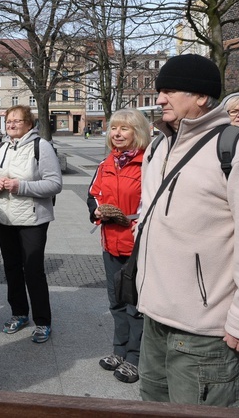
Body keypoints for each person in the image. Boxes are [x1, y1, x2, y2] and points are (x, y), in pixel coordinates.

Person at [136, 54, 239, 406]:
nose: (159, 99)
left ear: (202, 96)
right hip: (154, 319)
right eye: (160, 91)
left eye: (170, 90)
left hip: (204, 330)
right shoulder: (159, 146)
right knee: (150, 408)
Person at [0, 105, 62, 344]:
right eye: (9, 121)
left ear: (29, 124)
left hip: (32, 219)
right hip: (4, 218)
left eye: (18, 121)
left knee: (33, 270)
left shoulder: (42, 146)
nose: (12, 125)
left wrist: (21, 186)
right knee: (11, 268)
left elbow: (54, 183)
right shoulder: (1, 147)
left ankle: (42, 321)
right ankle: (19, 313)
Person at [87, 108, 151, 384]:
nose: (117, 134)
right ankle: (119, 351)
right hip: (110, 242)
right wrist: (98, 212)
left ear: (137, 133)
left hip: (137, 244)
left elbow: (154, 201)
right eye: (114, 128)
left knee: (134, 304)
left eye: (124, 129)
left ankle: (135, 358)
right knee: (115, 302)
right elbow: (93, 195)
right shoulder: (106, 164)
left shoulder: (148, 163)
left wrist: (141, 221)